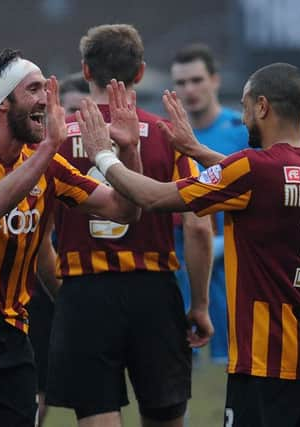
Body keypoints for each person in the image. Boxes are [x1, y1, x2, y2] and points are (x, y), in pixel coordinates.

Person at [79, 63, 300, 427]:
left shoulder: (254, 168)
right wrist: (196, 150)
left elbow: (154, 198)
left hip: (267, 360)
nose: (245, 116)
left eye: (247, 107)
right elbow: (265, 184)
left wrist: (102, 156)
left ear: (263, 107)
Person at [0, 48, 141, 427]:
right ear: (2, 102)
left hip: (10, 329)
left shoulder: (46, 163)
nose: (47, 99)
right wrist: (50, 146)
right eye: (35, 89)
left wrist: (129, 150)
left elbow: (124, 210)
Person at [46, 24, 213, 427]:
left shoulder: (57, 138)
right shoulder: (167, 135)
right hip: (152, 292)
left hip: (84, 293)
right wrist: (201, 305)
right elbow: (198, 228)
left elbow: (39, 236)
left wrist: (64, 294)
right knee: (165, 415)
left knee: (97, 414)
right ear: (140, 73)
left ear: (85, 71)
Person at [171, 43, 248, 363]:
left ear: (214, 80)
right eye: (181, 83)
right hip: (180, 258)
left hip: (237, 258)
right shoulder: (168, 135)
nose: (189, 89)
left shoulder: (242, 132)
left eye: (197, 80)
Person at [27, 71, 91, 426]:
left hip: (86, 284)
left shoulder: (101, 161)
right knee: (36, 384)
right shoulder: (38, 158)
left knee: (92, 388)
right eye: (67, 112)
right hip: (42, 283)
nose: (74, 123)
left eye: (83, 113)